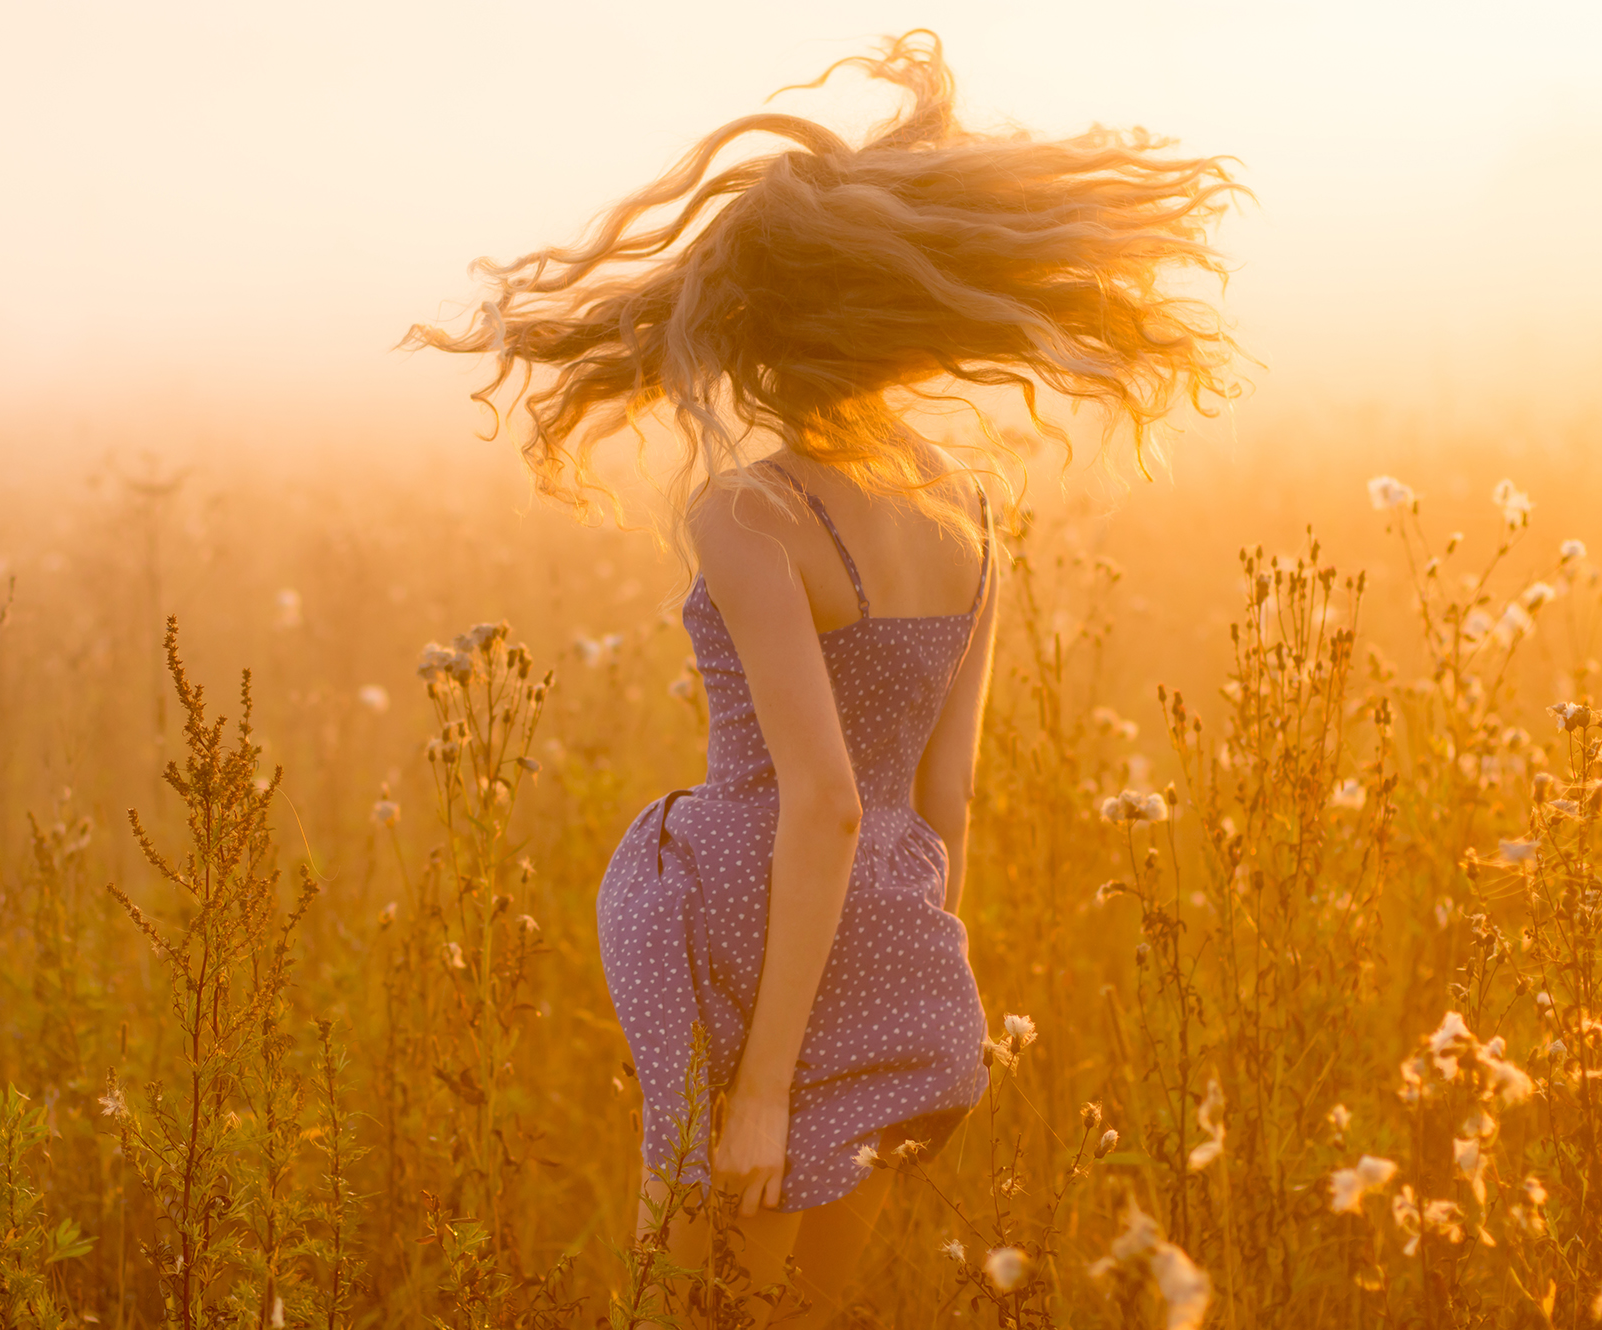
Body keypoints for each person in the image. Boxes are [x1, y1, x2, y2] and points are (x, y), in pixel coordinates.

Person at [410, 30, 1237, 1327]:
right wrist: (908, 964)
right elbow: (944, 797)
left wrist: (760, 1091)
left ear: (764, 337)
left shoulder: (750, 513)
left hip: (744, 939)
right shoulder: (969, 511)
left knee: (686, 1305)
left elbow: (827, 800)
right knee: (802, 1310)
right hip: (894, 934)